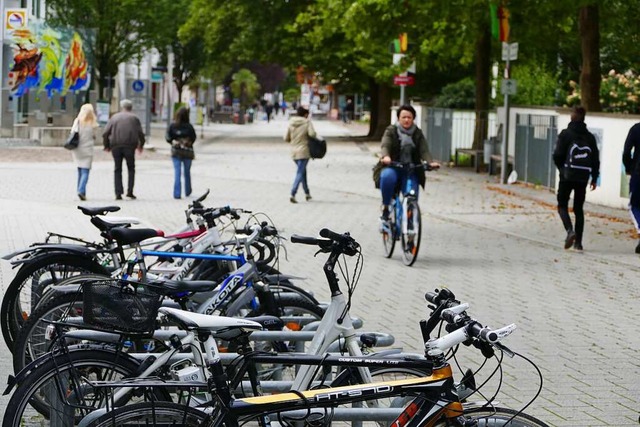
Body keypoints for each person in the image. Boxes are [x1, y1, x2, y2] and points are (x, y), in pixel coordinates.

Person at [379, 105, 440, 223]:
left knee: (412, 197)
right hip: (394, 166)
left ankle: (411, 231)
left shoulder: (417, 133)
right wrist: (386, 156)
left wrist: (430, 162)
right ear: (398, 118)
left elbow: (424, 150)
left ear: (413, 119)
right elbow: (385, 145)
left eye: (409, 117)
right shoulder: (391, 131)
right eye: (404, 117)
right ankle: (386, 207)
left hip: (411, 169)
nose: (406, 120)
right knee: (387, 177)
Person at [552, 106, 600, 251]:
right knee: (578, 209)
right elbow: (595, 159)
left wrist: (562, 169)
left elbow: (557, 155)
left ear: (572, 117)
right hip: (583, 177)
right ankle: (578, 243)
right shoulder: (590, 137)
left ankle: (569, 230)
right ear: (584, 118)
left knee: (562, 205)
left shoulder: (566, 134)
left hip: (567, 176)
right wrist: (594, 177)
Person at [103, 99, 145, 200]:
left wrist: (107, 146)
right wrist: (141, 145)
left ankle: (118, 193)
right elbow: (140, 133)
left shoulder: (114, 117)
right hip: (130, 146)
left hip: (116, 146)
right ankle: (130, 191)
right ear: (131, 108)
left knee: (117, 169)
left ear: (122, 107)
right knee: (131, 169)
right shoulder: (134, 118)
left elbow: (105, 133)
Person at [285, 106, 316, 203]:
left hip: (294, 152)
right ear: (305, 114)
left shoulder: (291, 123)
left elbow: (286, 138)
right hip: (303, 151)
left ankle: (307, 193)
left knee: (302, 172)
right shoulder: (307, 122)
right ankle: (292, 193)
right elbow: (312, 134)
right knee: (300, 173)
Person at [166, 106, 197, 199]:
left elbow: (168, 137)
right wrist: (187, 142)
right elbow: (194, 138)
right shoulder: (189, 126)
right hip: (187, 152)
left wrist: (174, 142)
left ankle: (177, 193)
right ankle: (187, 191)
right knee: (187, 172)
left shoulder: (173, 126)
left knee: (177, 172)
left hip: (176, 152)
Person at [70, 103, 99, 200]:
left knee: (79, 169)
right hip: (88, 149)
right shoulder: (93, 123)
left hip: (77, 149)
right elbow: (95, 136)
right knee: (85, 171)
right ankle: (81, 190)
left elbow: (72, 132)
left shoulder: (77, 121)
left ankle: (80, 190)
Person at [622, 121, 640, 253]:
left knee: (634, 205)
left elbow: (626, 151)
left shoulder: (636, 129)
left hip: (638, 173)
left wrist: (629, 168)